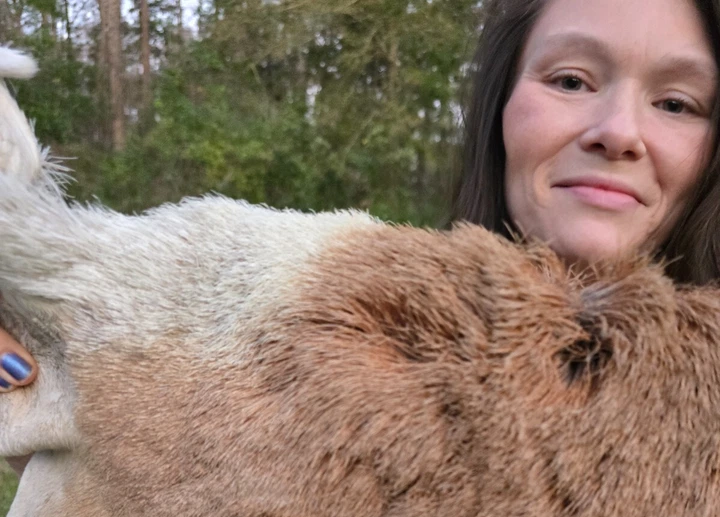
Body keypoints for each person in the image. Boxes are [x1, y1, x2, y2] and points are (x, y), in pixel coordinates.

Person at [1, 0, 718, 395]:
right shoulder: (344, 356)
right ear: (499, 108)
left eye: (677, 103)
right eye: (570, 81)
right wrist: (36, 327)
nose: (618, 132)